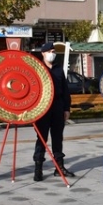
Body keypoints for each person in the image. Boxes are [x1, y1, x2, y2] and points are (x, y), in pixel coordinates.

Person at [33, 42, 75, 181]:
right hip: (43, 108)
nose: (52, 53)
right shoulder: (37, 69)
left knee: (58, 138)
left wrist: (66, 108)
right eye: (49, 51)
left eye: (53, 51)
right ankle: (38, 168)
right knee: (42, 138)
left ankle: (59, 167)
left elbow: (65, 90)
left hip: (57, 106)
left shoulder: (58, 69)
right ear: (43, 53)